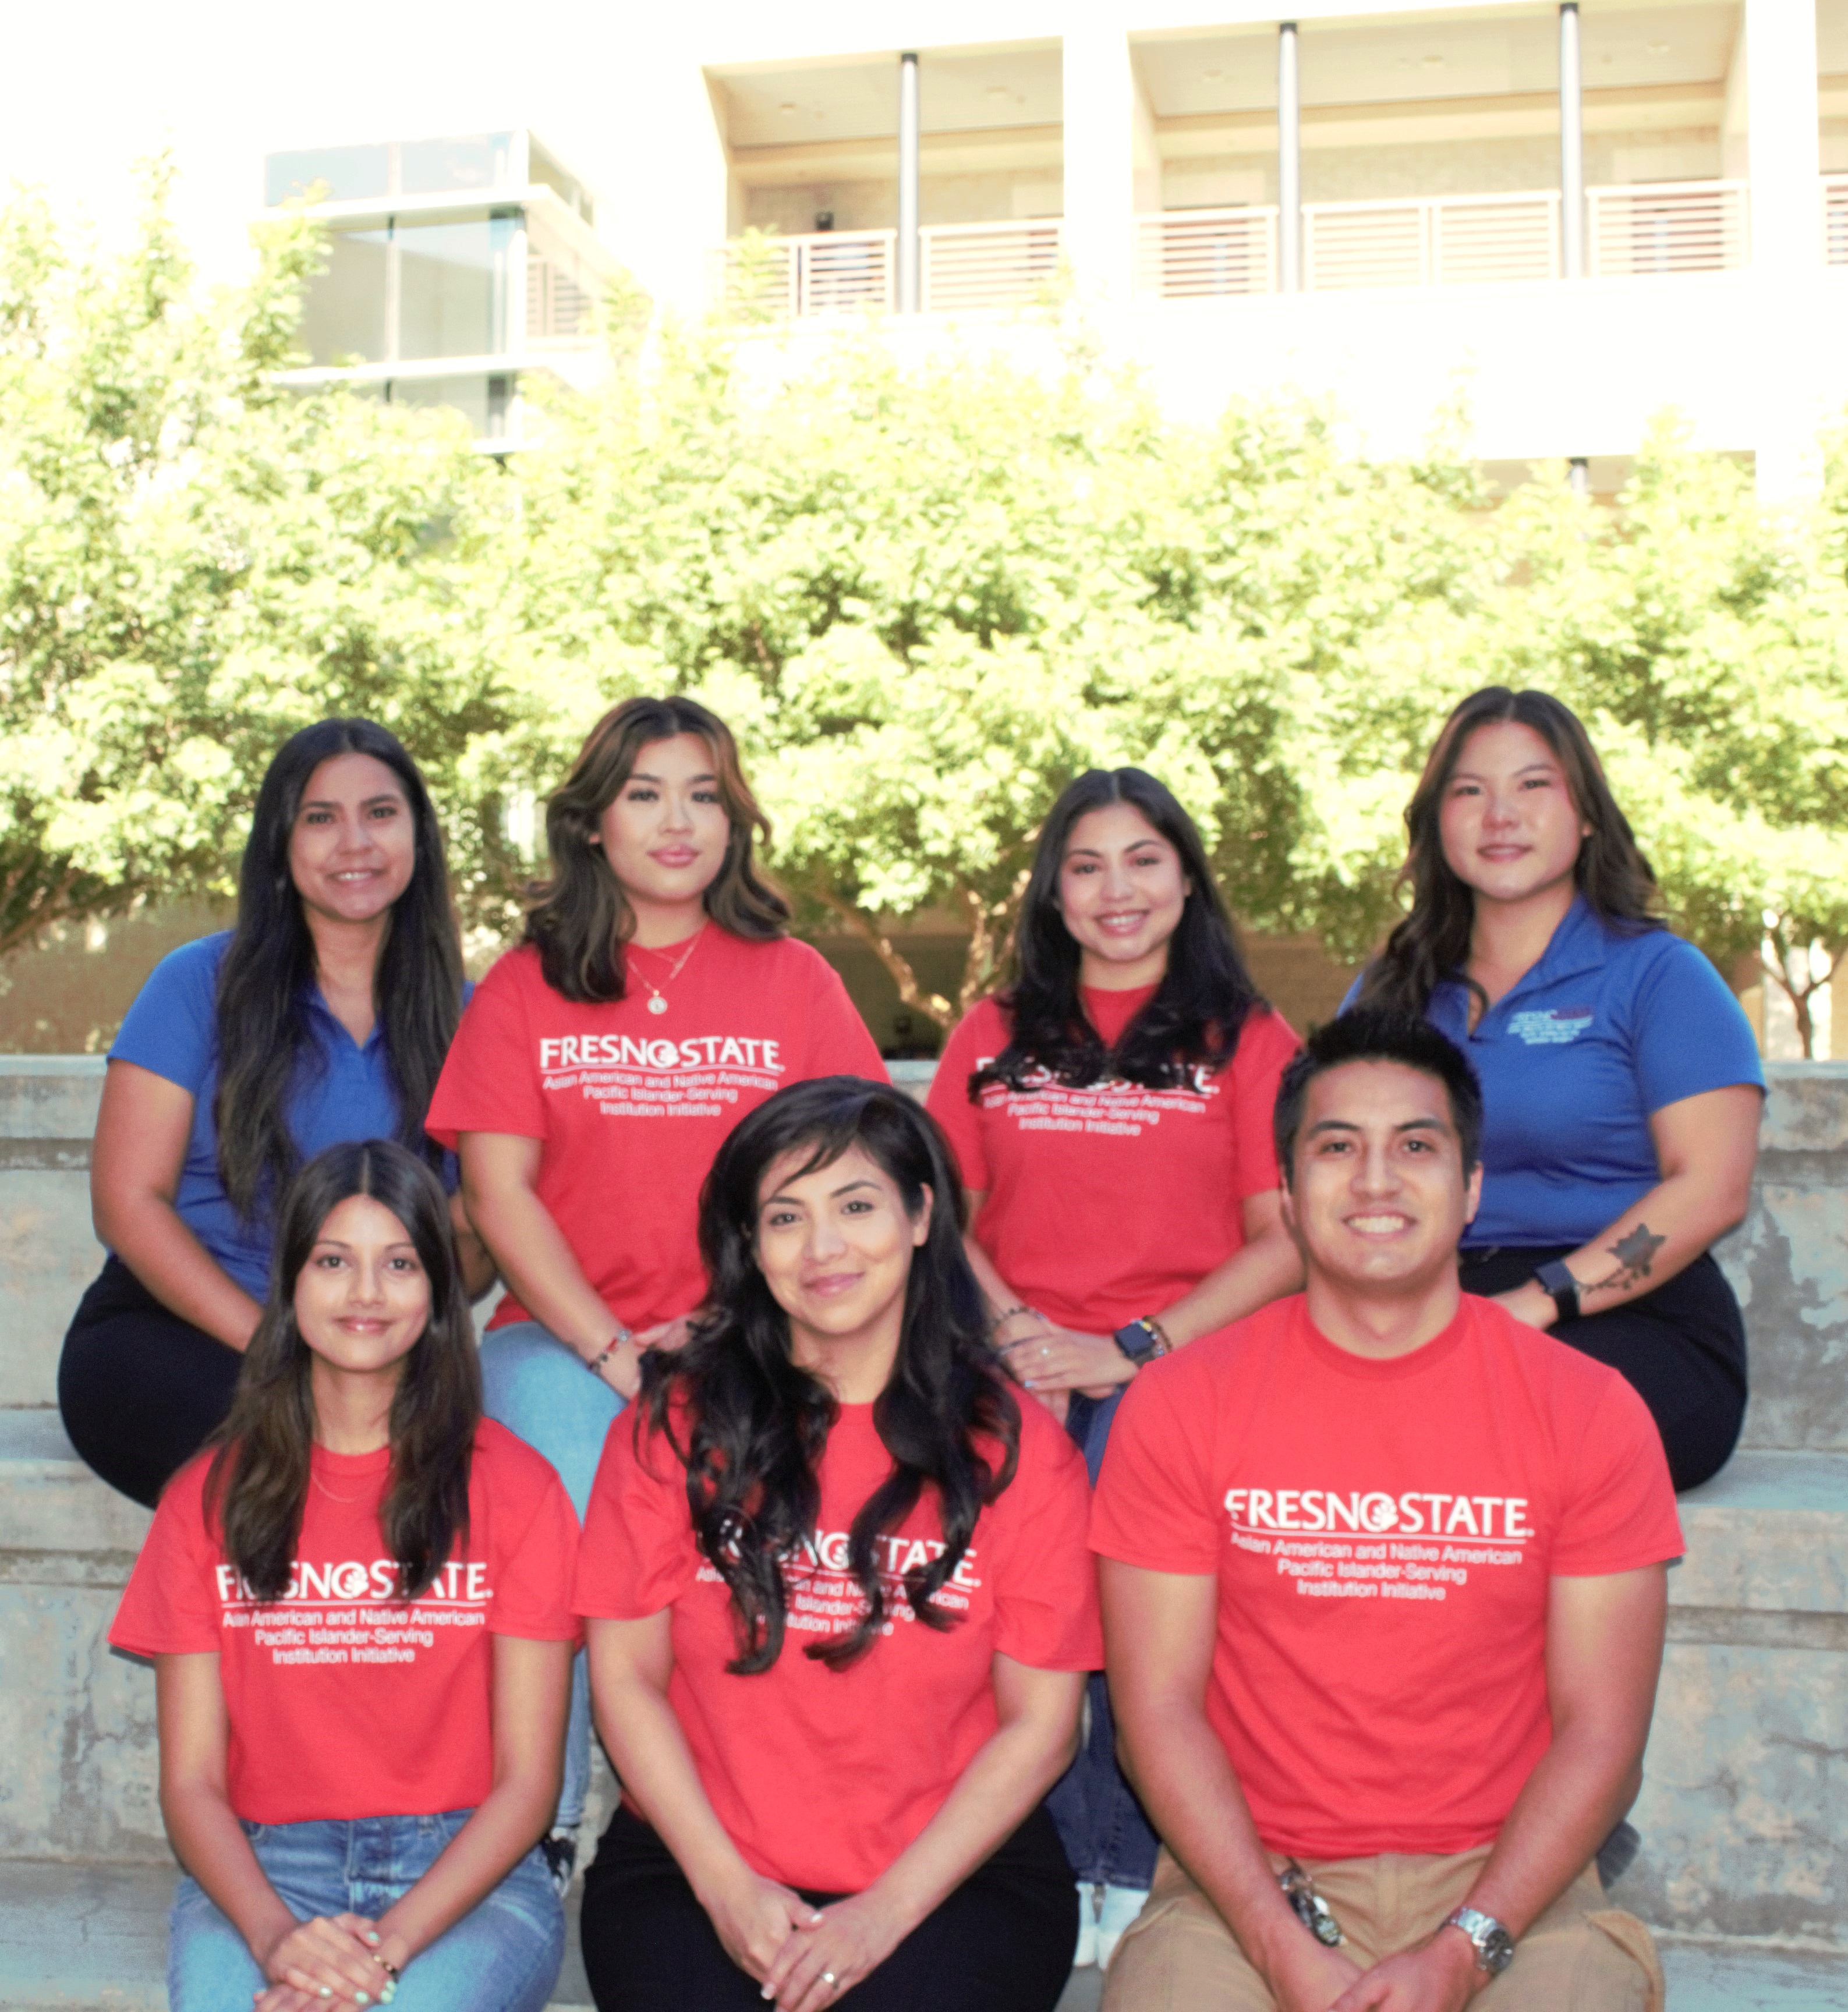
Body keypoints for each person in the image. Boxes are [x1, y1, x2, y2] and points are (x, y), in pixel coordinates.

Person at [1092, 1011, 1682, 2012]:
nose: (1374, 1180)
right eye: (1336, 1147)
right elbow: (1156, 1714)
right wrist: (1280, 1950)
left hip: (1511, 1889)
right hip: (1248, 1885)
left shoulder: (1588, 1410)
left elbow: (1602, 1735)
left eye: (1415, 1146)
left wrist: (1463, 1950)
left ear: (1471, 1190)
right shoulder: (1181, 1402)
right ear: (1286, 1192)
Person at [425, 696, 886, 1882]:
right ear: (592, 825)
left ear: (735, 821)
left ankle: (737, 1800)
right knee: (559, 1455)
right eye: (645, 794)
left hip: (769, 1328)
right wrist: (612, 1351)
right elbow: (498, 1191)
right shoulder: (529, 986)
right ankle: (549, 1814)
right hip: (565, 1338)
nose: (678, 822)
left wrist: (742, 1321)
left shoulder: (795, 982)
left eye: (704, 796)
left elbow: (859, 1166)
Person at [573, 1077, 1101, 2012]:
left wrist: (881, 1915)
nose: (823, 1249)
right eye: (785, 1217)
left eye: (855, 1206)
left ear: (919, 1215)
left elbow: (1040, 1725)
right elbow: (624, 1680)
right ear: (749, 1245)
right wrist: (726, 1889)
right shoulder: (672, 1428)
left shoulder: (1015, 1448)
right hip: (693, 1868)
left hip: (952, 1878)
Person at [925, 766, 1302, 1961]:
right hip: (1018, 1352)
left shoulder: (1247, 1038)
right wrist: (1022, 1337)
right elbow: (938, 1208)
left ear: (1186, 878)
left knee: (1134, 1541)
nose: (1115, 890)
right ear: (1055, 891)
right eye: (1085, 867)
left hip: (1184, 1360)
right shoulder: (993, 1032)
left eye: (1143, 860)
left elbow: (1285, 1236)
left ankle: (1130, 1859)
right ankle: (1036, 1853)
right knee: (1010, 1541)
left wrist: (1131, 1347)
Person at [109, 1139, 579, 2012]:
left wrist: (382, 1954)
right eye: (334, 1261)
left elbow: (528, 1786)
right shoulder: (203, 1501)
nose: (366, 1293)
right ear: (289, 1284)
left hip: (465, 1879)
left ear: (440, 1291)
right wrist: (277, 1938)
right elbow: (191, 1784)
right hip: (264, 1872)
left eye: (399, 1263)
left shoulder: (518, 1491)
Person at [61, 719, 485, 1510]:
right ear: (279, 846)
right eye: (319, 817)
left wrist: (463, 1229)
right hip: (175, 1331)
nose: (353, 841)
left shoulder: (474, 1018)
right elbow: (126, 1203)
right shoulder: (196, 983)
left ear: (420, 839)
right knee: (303, 1467)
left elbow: (473, 1261)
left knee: (460, 1478)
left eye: (381, 813)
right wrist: (284, 1347)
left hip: (373, 1348)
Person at [1347, 687, 1762, 1492]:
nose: (1499, 814)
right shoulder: (1387, 992)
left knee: (1455, 1420)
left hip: (1624, 1319)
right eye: (1468, 791)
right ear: (1436, 822)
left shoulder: (1660, 976)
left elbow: (1711, 1189)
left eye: (1533, 786)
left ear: (1587, 818)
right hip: (1421, 1304)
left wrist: (1532, 1306)